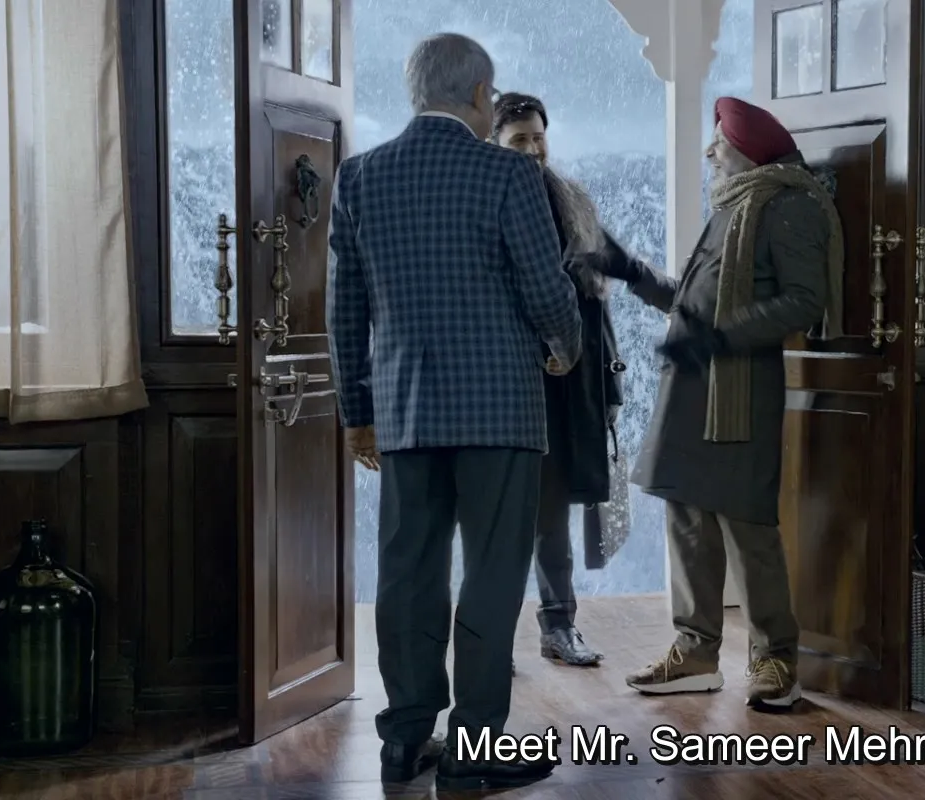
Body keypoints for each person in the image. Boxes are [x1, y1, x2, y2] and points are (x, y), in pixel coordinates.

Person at [326, 33, 580, 791]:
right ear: (477, 96)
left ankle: (404, 741)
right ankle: (472, 755)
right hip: (499, 412)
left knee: (407, 574)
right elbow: (546, 289)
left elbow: (345, 310)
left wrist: (357, 412)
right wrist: (564, 348)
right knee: (491, 578)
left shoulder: (359, 176)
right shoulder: (508, 173)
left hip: (404, 412)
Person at [593, 97, 845, 712]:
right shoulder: (734, 206)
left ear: (747, 152)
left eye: (720, 143)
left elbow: (804, 301)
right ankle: (695, 654)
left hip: (739, 393)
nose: (709, 152)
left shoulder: (786, 206)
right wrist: (628, 270)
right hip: (691, 389)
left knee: (746, 524)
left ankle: (775, 659)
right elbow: (692, 302)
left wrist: (720, 338)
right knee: (686, 518)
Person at [488, 91, 629, 668]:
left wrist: (611, 386)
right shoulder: (482, 201)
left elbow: (601, 295)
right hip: (502, 386)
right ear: (494, 142)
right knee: (497, 520)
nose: (531, 149)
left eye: (538, 137)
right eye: (518, 139)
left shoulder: (571, 200)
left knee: (551, 516)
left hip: (567, 385)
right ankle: (490, 640)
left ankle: (559, 626)